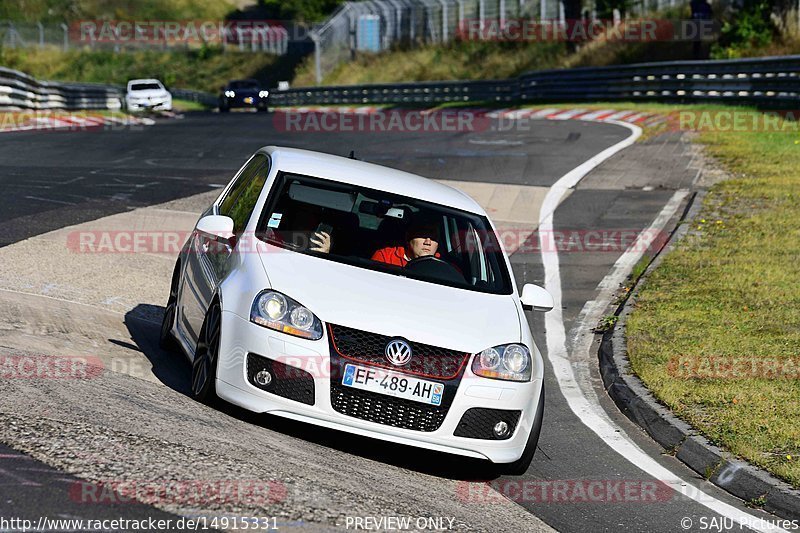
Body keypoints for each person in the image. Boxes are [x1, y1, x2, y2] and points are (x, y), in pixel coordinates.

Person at [371, 214, 441, 267]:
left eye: (433, 238)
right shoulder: (386, 257)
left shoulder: (442, 265)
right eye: (423, 236)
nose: (428, 242)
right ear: (408, 238)